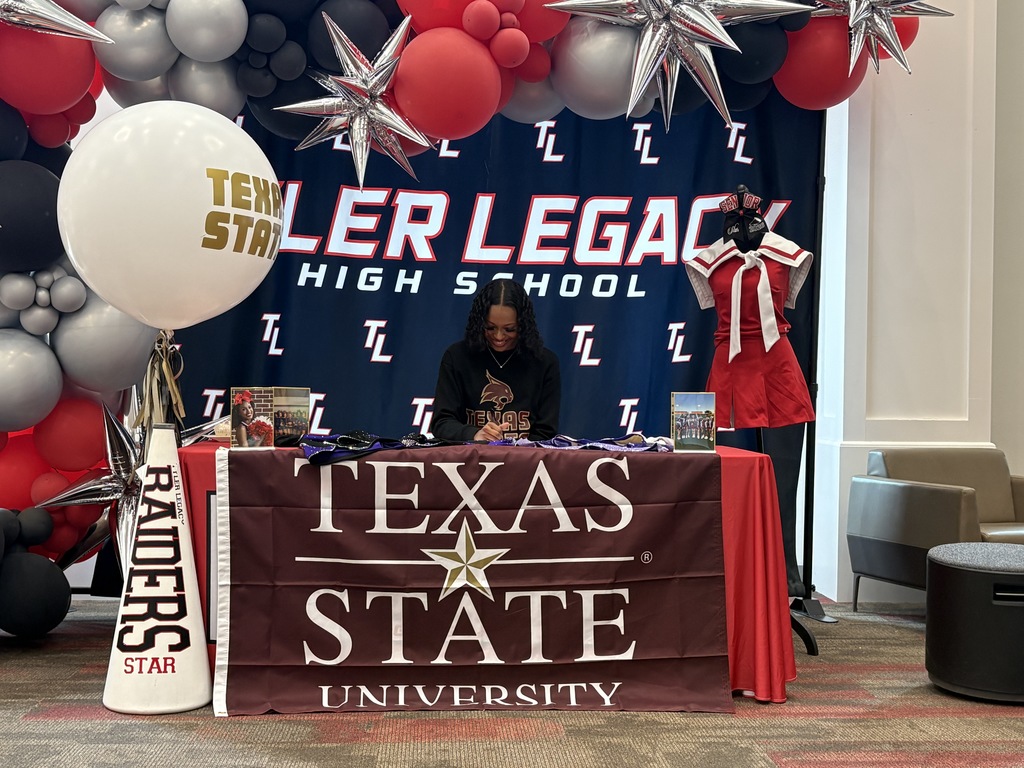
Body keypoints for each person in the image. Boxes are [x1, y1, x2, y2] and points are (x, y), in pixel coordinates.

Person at [432, 278, 561, 442]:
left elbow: (546, 431)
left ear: (523, 326)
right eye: (490, 327)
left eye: (510, 329)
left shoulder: (545, 362)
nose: (499, 337)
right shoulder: (456, 357)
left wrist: (516, 452)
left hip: (525, 463)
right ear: (479, 323)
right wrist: (474, 434)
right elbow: (442, 422)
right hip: (470, 459)